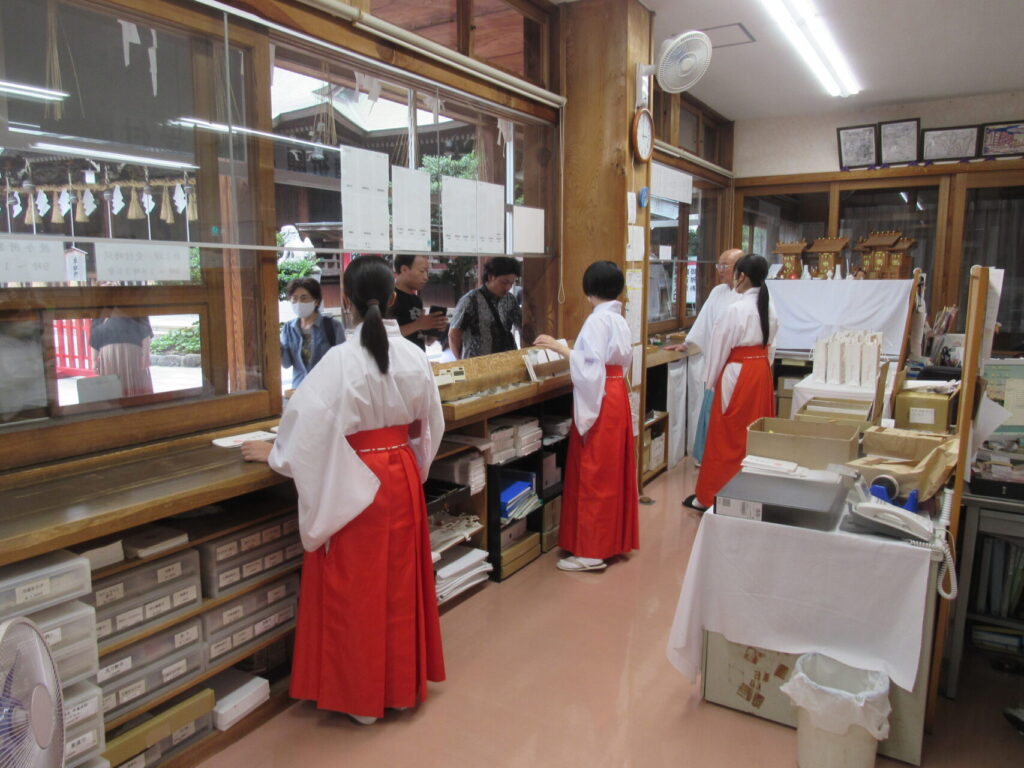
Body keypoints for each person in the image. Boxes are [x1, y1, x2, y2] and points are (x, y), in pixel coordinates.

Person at [241, 255, 445, 724]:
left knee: (358, 587)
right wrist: (412, 465)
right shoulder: (414, 356)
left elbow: (306, 429)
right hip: (400, 475)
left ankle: (361, 695)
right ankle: (396, 687)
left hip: (355, 479)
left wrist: (274, 451)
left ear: (345, 304)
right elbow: (430, 426)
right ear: (393, 299)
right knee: (397, 585)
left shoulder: (340, 360)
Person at [535, 261, 638, 572]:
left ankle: (592, 550)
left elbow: (590, 367)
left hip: (602, 396)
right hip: (616, 393)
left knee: (594, 471)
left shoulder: (597, 321)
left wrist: (558, 347)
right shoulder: (618, 318)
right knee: (611, 470)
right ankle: (611, 541)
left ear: (589, 289)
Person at [684, 254, 779, 511]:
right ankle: (753, 493)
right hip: (760, 373)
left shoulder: (735, 309)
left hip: (737, 372)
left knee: (726, 434)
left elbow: (719, 348)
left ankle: (712, 494)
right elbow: (771, 348)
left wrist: (711, 381)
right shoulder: (768, 306)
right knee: (753, 433)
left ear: (742, 276)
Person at [665, 248, 743, 459]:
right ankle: (709, 455)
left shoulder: (747, 295)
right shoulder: (718, 292)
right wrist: (689, 343)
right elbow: (704, 324)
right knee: (710, 410)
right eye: (719, 266)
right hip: (716, 361)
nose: (720, 271)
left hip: (735, 364)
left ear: (740, 268)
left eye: (725, 266)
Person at [448, 256, 522, 359]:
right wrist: (461, 361)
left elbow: (523, 326)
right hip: (478, 364)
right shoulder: (470, 300)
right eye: (504, 282)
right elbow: (453, 335)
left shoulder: (510, 299)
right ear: (491, 277)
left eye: (511, 283)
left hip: (507, 361)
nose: (508, 287)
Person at [280, 277, 346, 388]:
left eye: (304, 298)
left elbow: (342, 362)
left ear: (316, 301)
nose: (298, 303)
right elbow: (286, 364)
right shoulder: (288, 328)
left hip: (326, 392)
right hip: (298, 390)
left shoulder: (333, 326)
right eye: (294, 299)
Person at [89, 312, 154, 397]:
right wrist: (94, 360)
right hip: (110, 356)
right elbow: (95, 335)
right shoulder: (102, 309)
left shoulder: (136, 306)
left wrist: (146, 355)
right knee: (113, 392)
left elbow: (145, 332)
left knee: (135, 392)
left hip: (132, 354)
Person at [392, 254, 447, 350]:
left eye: (427, 272)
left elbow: (426, 341)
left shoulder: (417, 300)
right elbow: (385, 335)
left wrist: (435, 330)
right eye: (422, 271)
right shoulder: (389, 297)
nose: (426, 277)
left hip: (418, 360)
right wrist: (418, 325)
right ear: (404, 269)